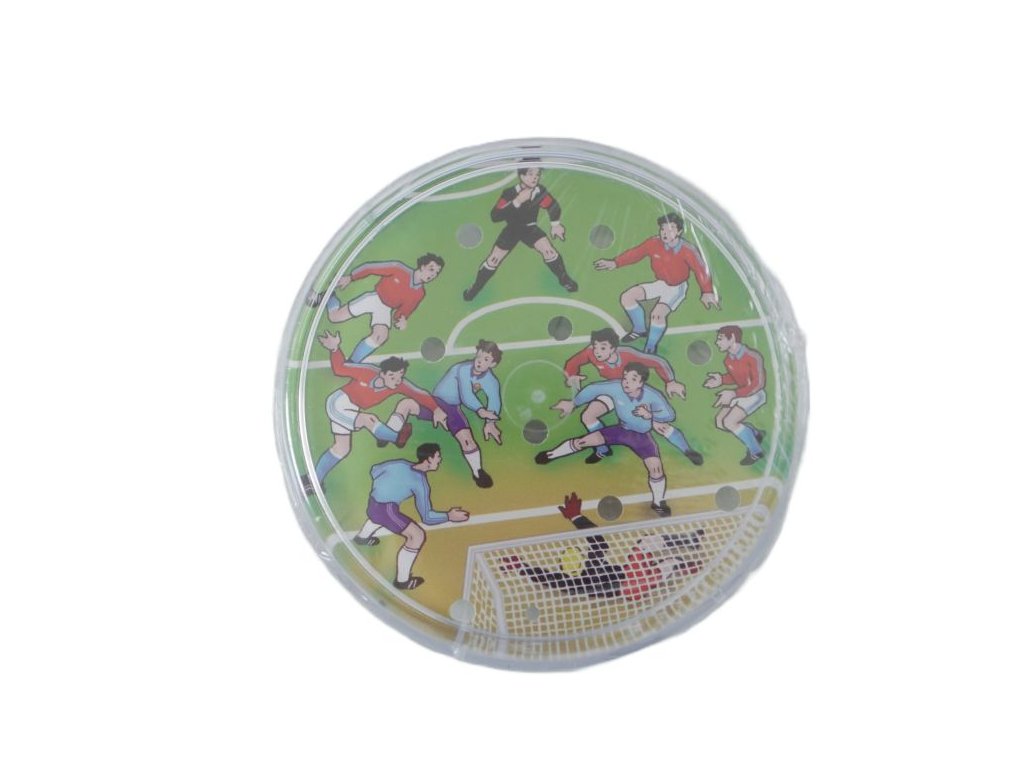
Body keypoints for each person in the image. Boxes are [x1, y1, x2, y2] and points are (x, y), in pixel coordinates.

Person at [303, 331, 447, 494]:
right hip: (338, 403)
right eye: (392, 377)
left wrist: (436, 409)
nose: (397, 381)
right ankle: (394, 437)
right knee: (368, 419)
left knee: (341, 448)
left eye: (400, 377)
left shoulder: (398, 384)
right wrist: (335, 348)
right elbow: (339, 368)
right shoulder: (367, 372)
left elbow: (418, 393)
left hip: (351, 410)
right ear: (382, 373)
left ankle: (312, 481)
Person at [500, 492, 703, 600]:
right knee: (648, 546)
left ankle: (686, 563)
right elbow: (598, 542)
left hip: (633, 588)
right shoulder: (588, 571)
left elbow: (549, 579)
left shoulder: (577, 582)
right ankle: (688, 547)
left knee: (668, 562)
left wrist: (521, 567)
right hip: (632, 580)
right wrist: (576, 517)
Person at [537, 363, 676, 516]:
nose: (626, 382)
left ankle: (658, 503)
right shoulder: (616, 387)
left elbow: (669, 415)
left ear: (641, 383)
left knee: (656, 468)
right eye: (625, 378)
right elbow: (592, 389)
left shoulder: (653, 396)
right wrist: (573, 403)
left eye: (633, 379)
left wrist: (650, 415)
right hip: (621, 431)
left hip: (641, 437)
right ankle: (550, 455)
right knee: (583, 441)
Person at [563, 328, 701, 465]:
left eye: (603, 348)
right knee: (587, 416)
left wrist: (670, 381)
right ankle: (603, 449)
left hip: (634, 391)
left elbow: (658, 361)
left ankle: (688, 451)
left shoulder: (628, 355)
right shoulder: (592, 352)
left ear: (613, 348)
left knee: (659, 424)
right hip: (614, 391)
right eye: (595, 347)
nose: (597, 352)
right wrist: (572, 375)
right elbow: (573, 363)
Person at [593, 212, 719, 354]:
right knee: (627, 297)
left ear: (679, 231)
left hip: (676, 288)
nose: (665, 233)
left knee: (657, 315)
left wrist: (707, 291)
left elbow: (701, 269)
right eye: (663, 229)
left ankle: (651, 346)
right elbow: (636, 253)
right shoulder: (654, 243)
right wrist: (615, 263)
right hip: (661, 284)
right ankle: (639, 330)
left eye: (670, 229)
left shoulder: (688, 250)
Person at [353, 444, 470, 590]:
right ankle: (402, 581)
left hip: (372, 503)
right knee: (417, 535)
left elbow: (374, 470)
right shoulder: (419, 482)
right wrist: (449, 516)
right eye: (438, 456)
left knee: (379, 517)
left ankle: (361, 538)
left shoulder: (400, 463)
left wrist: (382, 489)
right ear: (428, 459)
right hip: (387, 510)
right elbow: (427, 517)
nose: (440, 460)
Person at [463, 160, 577, 300]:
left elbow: (553, 206)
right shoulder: (509, 193)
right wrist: (517, 201)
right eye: (531, 174)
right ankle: (475, 288)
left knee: (549, 251)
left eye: (537, 174)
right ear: (521, 175)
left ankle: (564, 279)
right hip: (512, 229)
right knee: (493, 259)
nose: (535, 177)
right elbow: (495, 216)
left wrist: (555, 224)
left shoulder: (539, 192)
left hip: (530, 228)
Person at [306, 253, 445, 362]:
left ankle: (352, 363)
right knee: (334, 317)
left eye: (436, 273)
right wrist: (351, 277)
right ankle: (329, 297)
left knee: (381, 336)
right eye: (431, 269)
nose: (432, 275)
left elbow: (404, 311)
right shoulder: (398, 269)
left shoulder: (419, 293)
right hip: (374, 299)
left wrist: (402, 320)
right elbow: (370, 268)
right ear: (422, 266)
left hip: (385, 310)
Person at [414, 340, 504, 488]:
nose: (480, 361)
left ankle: (477, 471)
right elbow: (466, 395)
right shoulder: (463, 369)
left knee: (467, 440)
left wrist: (490, 422)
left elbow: (494, 400)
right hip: (435, 402)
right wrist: (480, 410)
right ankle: (393, 431)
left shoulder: (491, 380)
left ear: (493, 364)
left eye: (486, 359)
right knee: (408, 405)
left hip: (451, 408)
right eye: (479, 356)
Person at [703, 325, 767, 465]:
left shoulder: (752, 356)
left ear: (732, 338)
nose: (717, 342)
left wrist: (734, 393)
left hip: (755, 394)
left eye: (720, 339)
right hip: (740, 394)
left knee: (729, 422)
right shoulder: (728, 359)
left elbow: (758, 383)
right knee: (720, 422)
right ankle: (755, 433)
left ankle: (756, 452)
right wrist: (721, 380)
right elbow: (735, 377)